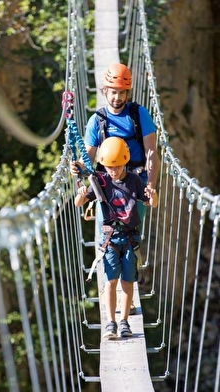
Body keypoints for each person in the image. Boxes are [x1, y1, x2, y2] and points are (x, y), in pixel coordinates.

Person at [71, 63, 159, 315]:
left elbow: (152, 151)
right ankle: (112, 298)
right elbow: (87, 159)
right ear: (104, 91)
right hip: (107, 187)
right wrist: (77, 169)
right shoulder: (96, 120)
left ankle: (127, 296)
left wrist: (149, 185)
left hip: (134, 184)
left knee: (131, 237)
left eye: (122, 92)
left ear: (128, 93)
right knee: (107, 239)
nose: (117, 97)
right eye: (112, 91)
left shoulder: (138, 114)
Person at [75, 137, 158, 338]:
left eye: (118, 166)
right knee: (110, 282)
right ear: (104, 165)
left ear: (125, 162)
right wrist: (81, 193)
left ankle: (124, 322)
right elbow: (79, 203)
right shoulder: (100, 181)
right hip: (111, 239)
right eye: (110, 166)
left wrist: (153, 195)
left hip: (130, 238)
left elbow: (151, 203)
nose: (114, 170)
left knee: (128, 282)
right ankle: (111, 322)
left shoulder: (135, 180)